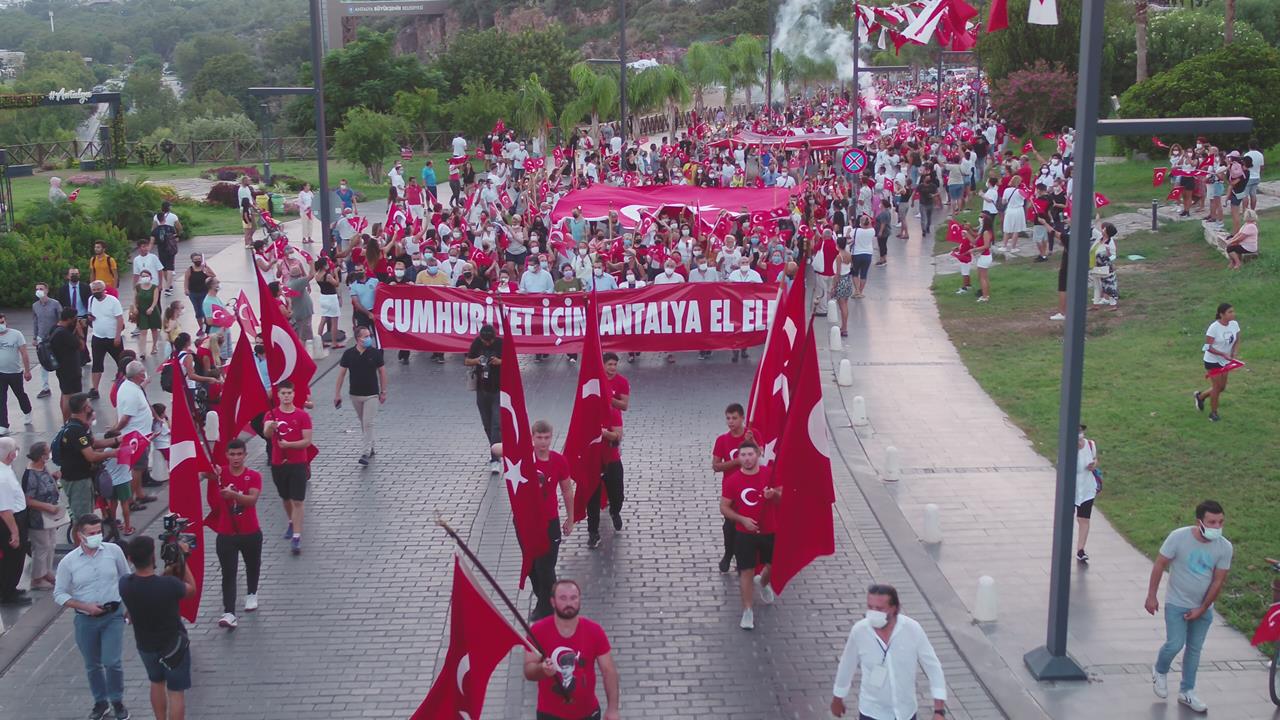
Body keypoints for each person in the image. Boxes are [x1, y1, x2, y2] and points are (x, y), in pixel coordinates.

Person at [1146, 500, 1232, 714]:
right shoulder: (1179, 537)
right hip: (1176, 603)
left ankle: (1187, 691)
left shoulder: (1224, 547)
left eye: (1220, 522)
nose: (1217, 527)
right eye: (1212, 522)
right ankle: (1160, 670)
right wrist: (1151, 596)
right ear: (1199, 521)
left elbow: (1218, 581)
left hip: (1203, 608)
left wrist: (1202, 608)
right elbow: (1160, 564)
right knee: (1175, 643)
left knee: (1194, 649)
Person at [830, 584, 948, 720]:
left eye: (880, 609)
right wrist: (837, 698)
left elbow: (932, 667)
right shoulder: (859, 631)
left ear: (894, 608)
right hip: (872, 712)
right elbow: (847, 665)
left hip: (906, 712)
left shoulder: (912, 629)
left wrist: (939, 710)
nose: (873, 613)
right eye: (870, 607)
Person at [55, 514, 132, 720]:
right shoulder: (68, 562)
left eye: (99, 532)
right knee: (92, 664)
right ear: (80, 535)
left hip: (113, 615)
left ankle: (117, 700)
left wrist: (130, 607)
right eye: (91, 533)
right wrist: (85, 607)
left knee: (112, 661)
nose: (97, 536)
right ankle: (100, 702)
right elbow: (59, 594)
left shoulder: (113, 552)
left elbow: (126, 578)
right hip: (85, 620)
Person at [119, 535, 195, 720]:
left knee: (156, 682)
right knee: (176, 692)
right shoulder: (170, 585)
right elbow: (191, 589)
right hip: (173, 646)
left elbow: (150, 584)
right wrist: (183, 559)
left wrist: (167, 572)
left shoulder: (125, 584)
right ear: (153, 556)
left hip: (146, 646)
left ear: (130, 559)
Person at [522, 580, 621, 720]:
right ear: (553, 602)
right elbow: (529, 671)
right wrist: (541, 669)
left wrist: (612, 709)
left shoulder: (594, 631)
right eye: (563, 598)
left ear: (579, 600)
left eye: (573, 598)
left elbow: (608, 671)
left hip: (588, 714)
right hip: (550, 715)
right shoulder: (538, 631)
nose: (569, 603)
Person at [720, 440, 778, 630]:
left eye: (750, 454)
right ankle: (747, 611)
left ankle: (763, 582)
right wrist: (742, 519)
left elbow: (783, 496)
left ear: (758, 455)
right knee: (746, 571)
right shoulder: (732, 481)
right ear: (739, 457)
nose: (747, 459)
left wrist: (774, 495)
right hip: (744, 534)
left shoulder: (770, 474)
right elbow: (724, 507)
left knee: (772, 566)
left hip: (769, 530)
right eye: (743, 455)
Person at [206, 438, 263, 629]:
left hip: (250, 531)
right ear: (227, 456)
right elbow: (201, 474)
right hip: (226, 533)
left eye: (239, 454)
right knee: (228, 573)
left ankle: (252, 593)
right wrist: (208, 471)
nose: (236, 458)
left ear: (245, 455)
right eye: (232, 454)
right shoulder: (220, 474)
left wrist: (235, 496)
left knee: (252, 564)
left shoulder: (253, 476)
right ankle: (229, 612)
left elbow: (252, 500)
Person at [527, 420, 574, 621]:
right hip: (526, 523)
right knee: (531, 568)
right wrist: (515, 446)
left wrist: (570, 518)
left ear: (551, 437)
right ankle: (547, 600)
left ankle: (546, 608)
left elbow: (567, 490)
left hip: (549, 522)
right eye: (539, 437)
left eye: (547, 438)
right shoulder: (524, 458)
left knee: (545, 567)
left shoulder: (559, 461)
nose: (543, 442)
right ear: (532, 437)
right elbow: (495, 448)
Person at [264, 381, 313, 555]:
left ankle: (297, 537)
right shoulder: (271, 415)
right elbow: (266, 434)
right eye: (283, 393)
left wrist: (290, 445)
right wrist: (271, 427)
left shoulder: (302, 415)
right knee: (285, 498)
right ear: (278, 395)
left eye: (289, 393)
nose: (286, 396)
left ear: (293, 394)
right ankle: (291, 522)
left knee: (298, 500)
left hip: (298, 463)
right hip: (278, 463)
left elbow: (307, 441)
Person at [334, 325, 387, 466]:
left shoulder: (375, 353)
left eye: (370, 336)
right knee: (364, 422)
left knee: (368, 422)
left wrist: (383, 391)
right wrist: (337, 393)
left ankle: (365, 452)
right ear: (358, 338)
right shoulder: (349, 354)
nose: (369, 338)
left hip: (372, 394)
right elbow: (341, 374)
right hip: (355, 394)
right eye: (366, 336)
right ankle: (371, 445)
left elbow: (382, 372)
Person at [711, 403, 752, 573]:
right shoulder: (722, 440)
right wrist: (736, 462)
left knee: (746, 526)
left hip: (750, 487)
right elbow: (716, 466)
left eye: (734, 418)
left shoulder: (751, 435)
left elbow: (761, 458)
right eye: (728, 418)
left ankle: (743, 560)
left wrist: (752, 443)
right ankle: (729, 553)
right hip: (731, 488)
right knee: (729, 525)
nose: (731, 422)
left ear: (742, 418)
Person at [112, 361, 157, 509]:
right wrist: (115, 430)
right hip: (135, 437)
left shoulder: (131, 386)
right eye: (143, 373)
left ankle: (140, 494)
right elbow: (126, 418)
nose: (145, 375)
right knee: (137, 468)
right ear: (138, 375)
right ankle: (130, 500)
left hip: (141, 435)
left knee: (140, 467)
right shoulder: (131, 392)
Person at [22, 441, 62, 590]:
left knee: (51, 544)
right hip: (38, 517)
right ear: (41, 456)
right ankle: (37, 578)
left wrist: (54, 478)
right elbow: (28, 500)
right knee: (41, 546)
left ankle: (46, 572)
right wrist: (47, 506)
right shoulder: (31, 475)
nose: (49, 454)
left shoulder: (43, 468)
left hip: (49, 515)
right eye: (47, 452)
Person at [585, 403, 624, 550]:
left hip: (611, 460)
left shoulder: (613, 411)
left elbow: (618, 436)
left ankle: (615, 511)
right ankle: (593, 533)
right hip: (592, 461)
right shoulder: (585, 412)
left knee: (617, 494)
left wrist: (603, 433)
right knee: (592, 499)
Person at [1193, 302, 1240, 423]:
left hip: (1225, 361)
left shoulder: (1234, 324)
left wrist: (1234, 352)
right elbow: (1206, 347)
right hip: (1212, 361)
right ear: (1221, 314)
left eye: (1233, 311)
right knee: (1216, 387)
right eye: (1230, 312)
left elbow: (1237, 340)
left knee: (1222, 387)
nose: (1233, 314)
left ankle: (1200, 396)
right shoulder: (1214, 328)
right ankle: (1213, 414)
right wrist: (1222, 354)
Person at [465, 324, 503, 472]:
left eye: (489, 341)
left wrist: (499, 361)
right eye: (484, 341)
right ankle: (496, 446)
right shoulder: (477, 343)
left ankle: (495, 458)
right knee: (487, 424)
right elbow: (467, 361)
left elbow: (512, 362)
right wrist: (477, 360)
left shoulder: (501, 344)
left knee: (496, 424)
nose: (487, 343)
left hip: (498, 389)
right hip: (481, 389)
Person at [0, 437, 30, 605]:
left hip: (16, 516)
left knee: (15, 557)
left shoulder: (5, 469)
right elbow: (5, 509)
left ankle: (10, 587)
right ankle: (8, 592)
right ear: (11, 454)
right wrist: (15, 532)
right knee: (13, 557)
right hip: (11, 520)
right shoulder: (2, 477)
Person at [87, 280, 126, 400]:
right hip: (98, 336)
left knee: (121, 362)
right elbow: (90, 313)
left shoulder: (113, 301)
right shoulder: (91, 300)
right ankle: (95, 389)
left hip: (112, 337)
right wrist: (90, 318)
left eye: (98, 289)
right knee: (97, 364)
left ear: (104, 290)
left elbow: (119, 319)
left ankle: (124, 385)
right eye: (94, 290)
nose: (96, 292)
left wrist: (117, 336)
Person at [0, 312, 33, 435]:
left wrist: (27, 370)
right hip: (1, 373)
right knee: (1, 399)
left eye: (2, 322)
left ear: (5, 321)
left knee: (20, 394)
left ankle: (27, 411)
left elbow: (24, 353)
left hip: (15, 372)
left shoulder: (16, 334)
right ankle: (3, 424)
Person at [49, 307, 84, 419]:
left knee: (64, 394)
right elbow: (81, 346)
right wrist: (80, 332)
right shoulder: (64, 333)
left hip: (61, 368)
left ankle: (66, 421)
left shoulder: (55, 329)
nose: (76, 320)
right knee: (69, 397)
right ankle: (68, 420)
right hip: (70, 369)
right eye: (75, 318)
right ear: (69, 319)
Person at [31, 282, 63, 399]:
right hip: (41, 337)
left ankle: (63, 386)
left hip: (54, 337)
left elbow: (61, 320)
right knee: (43, 362)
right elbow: (35, 321)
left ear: (47, 290)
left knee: (59, 360)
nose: (39, 291)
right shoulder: (35, 306)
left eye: (41, 288)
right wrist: (35, 337)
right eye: (37, 289)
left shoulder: (55, 304)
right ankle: (45, 388)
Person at [1074, 425, 1099, 563]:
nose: (1079, 436)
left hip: (1087, 489)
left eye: (1080, 432)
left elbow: (1095, 459)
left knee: (1084, 519)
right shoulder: (1067, 448)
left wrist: (1094, 464)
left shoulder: (1090, 444)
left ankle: (1080, 550)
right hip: (1071, 489)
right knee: (1066, 519)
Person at [150, 202, 182, 294]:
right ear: (169, 207)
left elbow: (153, 229)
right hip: (170, 245)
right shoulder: (173, 217)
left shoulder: (156, 218)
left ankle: (168, 284)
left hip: (161, 247)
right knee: (170, 267)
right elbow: (179, 227)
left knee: (163, 267)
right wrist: (178, 236)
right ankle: (168, 286)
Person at [133, 270, 162, 357]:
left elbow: (155, 299)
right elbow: (134, 298)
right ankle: (142, 351)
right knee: (143, 331)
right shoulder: (138, 287)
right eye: (143, 276)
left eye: (146, 276)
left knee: (154, 329)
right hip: (142, 311)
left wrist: (151, 308)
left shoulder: (154, 287)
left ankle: (154, 346)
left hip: (152, 311)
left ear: (150, 277)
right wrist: (135, 307)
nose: (144, 278)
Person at [184, 252, 215, 333]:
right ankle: (201, 328)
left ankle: (206, 326)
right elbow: (186, 279)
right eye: (195, 259)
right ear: (192, 260)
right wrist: (186, 289)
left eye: (199, 259)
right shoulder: (190, 269)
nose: (197, 260)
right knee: (198, 311)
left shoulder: (205, 268)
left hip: (204, 292)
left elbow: (213, 275)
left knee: (204, 310)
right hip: (193, 293)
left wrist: (206, 271)